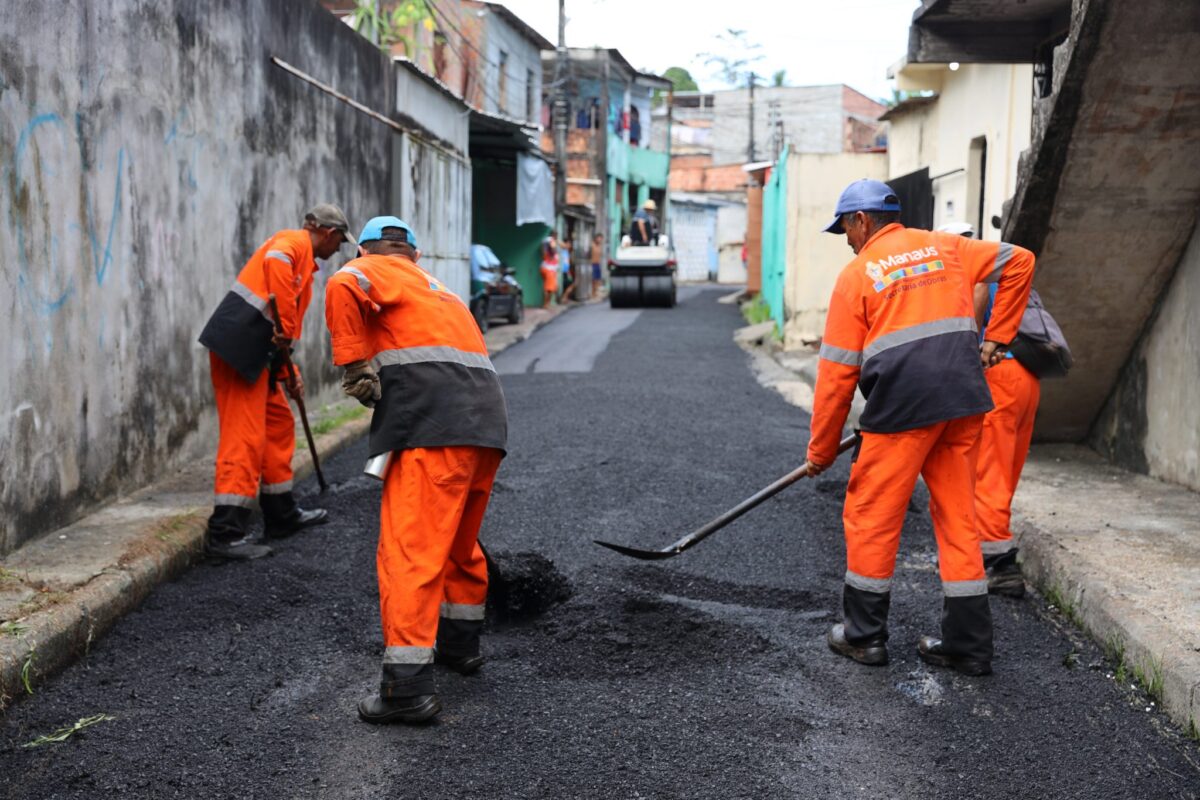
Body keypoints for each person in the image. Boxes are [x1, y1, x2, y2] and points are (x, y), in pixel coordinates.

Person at [807, 179, 1035, 676]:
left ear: (861, 220)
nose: (846, 239)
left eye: (845, 227)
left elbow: (836, 377)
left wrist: (822, 451)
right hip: (962, 398)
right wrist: (996, 337)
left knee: (871, 513)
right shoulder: (945, 246)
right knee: (958, 516)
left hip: (903, 408)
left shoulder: (857, 275)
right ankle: (968, 645)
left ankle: (864, 637)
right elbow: (1021, 260)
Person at [325, 216, 508, 724]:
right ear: (417, 255)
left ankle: (406, 690)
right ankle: (458, 644)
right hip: (486, 425)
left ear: (364, 251)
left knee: (411, 551)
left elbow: (344, 283)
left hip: (432, 426)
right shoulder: (440, 292)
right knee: (456, 542)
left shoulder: (369, 271)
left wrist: (355, 364)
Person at [197, 204, 353, 560]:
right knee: (245, 439)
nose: (338, 249)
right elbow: (277, 271)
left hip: (260, 357)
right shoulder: (293, 242)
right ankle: (224, 535)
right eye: (339, 241)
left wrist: (289, 374)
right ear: (327, 233)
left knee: (279, 425)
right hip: (238, 351)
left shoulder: (307, 269)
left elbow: (284, 334)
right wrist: (283, 327)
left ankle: (281, 514)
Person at [939, 222, 1040, 598]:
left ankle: (1001, 568)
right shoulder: (1003, 270)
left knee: (989, 477)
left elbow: (975, 309)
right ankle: (988, 551)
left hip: (997, 376)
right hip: (1025, 377)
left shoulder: (972, 273)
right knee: (1005, 471)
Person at [540, 233, 559, 308]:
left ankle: (547, 303)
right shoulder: (550, 241)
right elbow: (551, 251)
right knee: (548, 288)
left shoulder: (547, 242)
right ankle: (545, 304)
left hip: (549, 269)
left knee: (551, 288)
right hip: (549, 269)